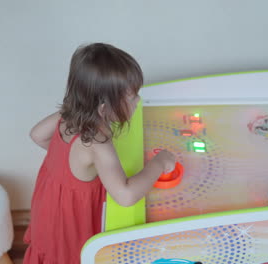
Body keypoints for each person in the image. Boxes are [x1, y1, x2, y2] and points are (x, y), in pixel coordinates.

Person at [23, 43, 176, 264]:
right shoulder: (97, 141)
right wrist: (159, 163)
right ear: (104, 108)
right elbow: (125, 196)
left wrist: (70, 168)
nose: (138, 101)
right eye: (132, 97)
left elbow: (37, 135)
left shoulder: (68, 115)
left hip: (48, 213)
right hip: (70, 224)